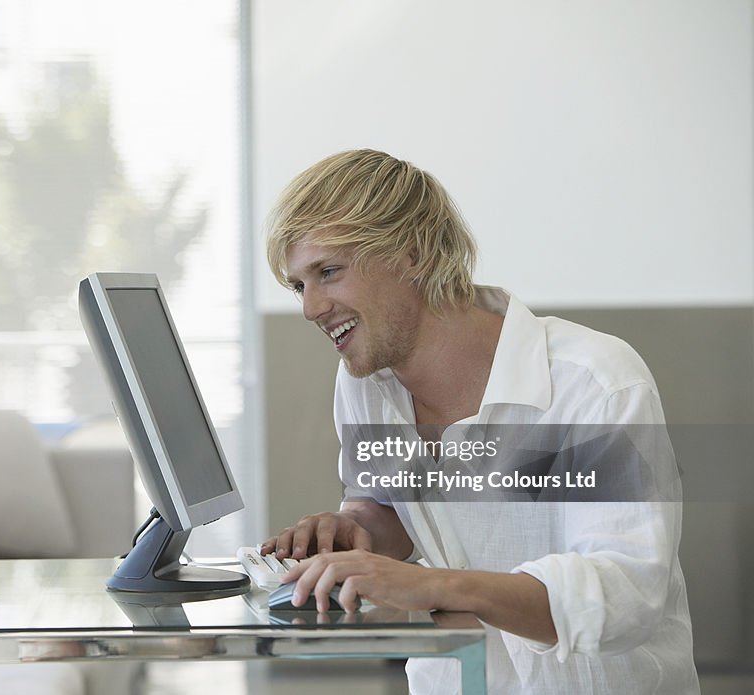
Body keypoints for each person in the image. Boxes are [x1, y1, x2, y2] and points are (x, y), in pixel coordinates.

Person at [260, 149, 699, 693]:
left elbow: (626, 595)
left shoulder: (595, 381)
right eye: (299, 285)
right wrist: (359, 533)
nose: (310, 308)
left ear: (412, 254)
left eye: (328, 272)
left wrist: (432, 585)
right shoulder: (363, 384)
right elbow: (389, 504)